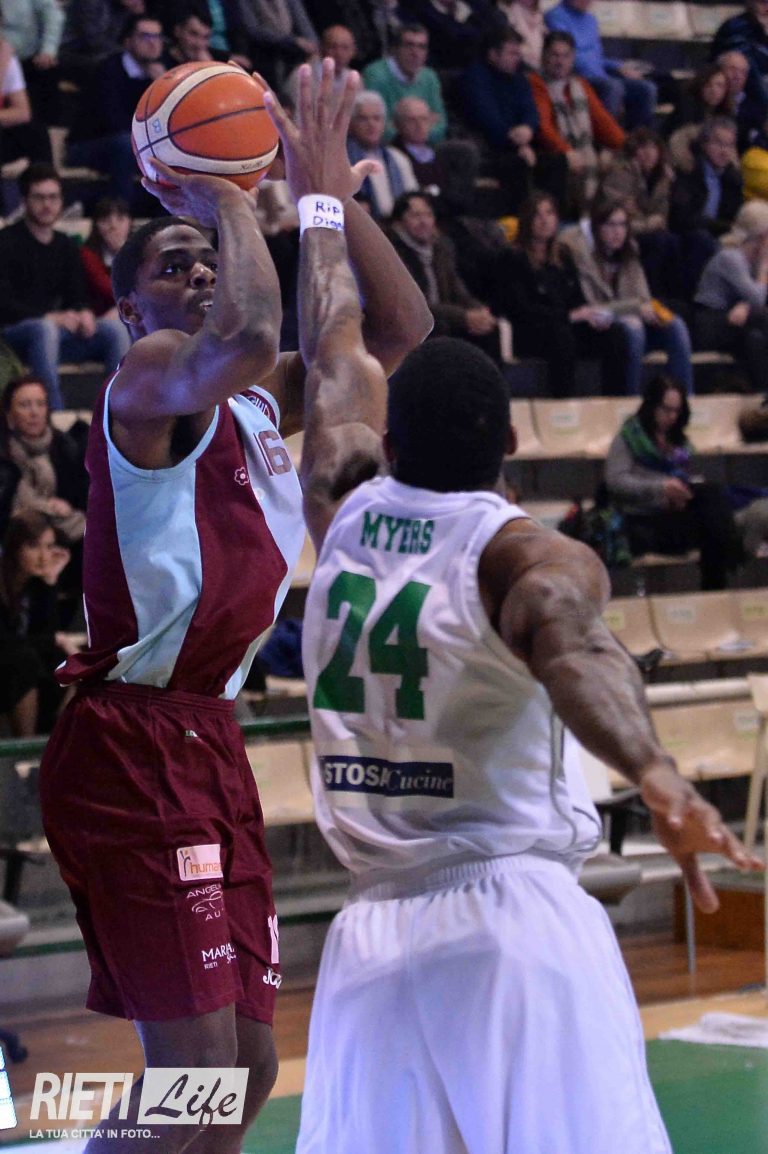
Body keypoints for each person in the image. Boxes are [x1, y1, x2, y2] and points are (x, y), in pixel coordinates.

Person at [265, 91, 759, 1143]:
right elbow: (582, 654)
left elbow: (335, 344)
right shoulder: (523, 553)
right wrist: (660, 775)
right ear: (511, 448)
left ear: (390, 443)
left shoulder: (339, 507)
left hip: (372, 943)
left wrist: (321, 208)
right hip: (512, 925)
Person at [37, 58, 431, 1153]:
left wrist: (331, 199)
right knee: (197, 1076)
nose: (202, 272)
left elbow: (396, 335)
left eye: (209, 262)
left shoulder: (257, 397)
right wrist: (225, 189)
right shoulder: (146, 377)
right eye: (173, 266)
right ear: (128, 307)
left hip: (207, 736)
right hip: (128, 739)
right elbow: (250, 334)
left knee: (247, 1071)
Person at [0, 163, 131, 411]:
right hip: (15, 335)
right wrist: (49, 317)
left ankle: (114, 413)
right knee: (44, 329)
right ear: (25, 201)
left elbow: (77, 295)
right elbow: (4, 303)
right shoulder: (6, 242)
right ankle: (54, 415)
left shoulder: (66, 245)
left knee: (114, 329)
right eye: (39, 197)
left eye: (53, 197)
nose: (47, 204)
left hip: (55, 335)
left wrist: (83, 312)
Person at [605, 375, 746, 589]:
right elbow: (616, 482)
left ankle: (715, 587)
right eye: (666, 409)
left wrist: (683, 493)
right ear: (652, 406)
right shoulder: (628, 437)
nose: (672, 416)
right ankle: (722, 575)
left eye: (676, 411)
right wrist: (661, 488)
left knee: (711, 503)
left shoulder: (679, 441)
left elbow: (691, 475)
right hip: (641, 520)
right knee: (714, 521)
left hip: (674, 515)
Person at [495, 190, 628, 396]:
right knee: (562, 336)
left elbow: (576, 299)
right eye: (537, 214)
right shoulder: (513, 258)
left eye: (549, 213)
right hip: (532, 331)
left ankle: (614, 400)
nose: (544, 220)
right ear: (527, 220)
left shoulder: (563, 256)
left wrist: (592, 316)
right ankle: (563, 402)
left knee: (614, 334)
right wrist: (568, 316)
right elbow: (521, 309)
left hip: (565, 326)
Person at [560, 197, 694, 395]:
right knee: (633, 328)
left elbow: (643, 299)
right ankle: (630, 398)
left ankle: (685, 397)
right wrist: (635, 308)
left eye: (622, 225)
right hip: (600, 330)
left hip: (630, 320)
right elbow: (592, 308)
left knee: (675, 324)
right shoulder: (582, 257)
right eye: (611, 225)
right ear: (597, 228)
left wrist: (646, 310)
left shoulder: (630, 252)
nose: (617, 232)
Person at [460, 24, 568, 215]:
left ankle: (554, 218)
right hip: (492, 148)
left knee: (557, 161)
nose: (517, 59)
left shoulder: (519, 78)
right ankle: (522, 221)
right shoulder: (475, 78)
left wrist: (528, 128)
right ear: (493, 54)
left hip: (522, 144)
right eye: (511, 53)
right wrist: (517, 143)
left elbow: (531, 111)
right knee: (518, 165)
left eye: (518, 53)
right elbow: (487, 119)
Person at [64, 13, 165, 209]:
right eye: (145, 36)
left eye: (157, 37)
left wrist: (162, 87)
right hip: (88, 145)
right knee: (126, 145)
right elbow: (113, 122)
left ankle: (170, 217)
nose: (153, 43)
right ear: (127, 41)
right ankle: (119, 213)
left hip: (133, 147)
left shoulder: (163, 73)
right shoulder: (108, 70)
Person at [388, 189, 500, 358]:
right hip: (414, 324)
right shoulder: (393, 252)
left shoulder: (441, 247)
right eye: (415, 216)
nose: (424, 221)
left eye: (428, 215)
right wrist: (464, 316)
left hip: (445, 318)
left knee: (489, 328)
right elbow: (416, 304)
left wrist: (480, 311)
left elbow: (458, 291)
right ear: (399, 223)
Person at [528, 30, 624, 217]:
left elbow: (603, 123)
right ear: (543, 56)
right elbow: (543, 128)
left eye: (565, 56)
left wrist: (630, 149)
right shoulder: (536, 83)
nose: (560, 62)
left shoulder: (580, 84)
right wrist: (566, 151)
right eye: (554, 55)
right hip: (551, 155)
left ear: (572, 59)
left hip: (583, 154)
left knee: (621, 162)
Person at [0, 509, 76, 735]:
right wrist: (56, 640)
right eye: (33, 546)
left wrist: (51, 580)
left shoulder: (36, 584)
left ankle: (55, 740)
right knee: (24, 661)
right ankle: (27, 744)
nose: (44, 557)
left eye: (49, 546)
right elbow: (6, 642)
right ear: (15, 547)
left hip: (17, 660)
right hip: (9, 662)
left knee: (68, 664)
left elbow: (45, 634)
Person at [0, 374, 88, 542]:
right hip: (13, 539)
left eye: (40, 404)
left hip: (68, 534)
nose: (34, 412)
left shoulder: (65, 447)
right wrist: (47, 507)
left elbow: (83, 501)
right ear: (9, 415)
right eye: (24, 405)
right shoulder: (4, 456)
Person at [544, 0, 657, 129]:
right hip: (575, 77)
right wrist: (604, 73)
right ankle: (606, 137)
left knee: (646, 88)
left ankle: (637, 138)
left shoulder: (591, 20)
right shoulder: (555, 16)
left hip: (600, 77)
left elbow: (596, 58)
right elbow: (565, 56)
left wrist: (619, 66)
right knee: (614, 87)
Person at [694, 199, 768, 392]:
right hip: (711, 322)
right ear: (761, 236)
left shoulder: (753, 261)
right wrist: (763, 269)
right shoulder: (731, 257)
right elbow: (758, 299)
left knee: (755, 338)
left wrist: (746, 306)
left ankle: (762, 393)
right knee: (763, 318)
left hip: (737, 323)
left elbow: (753, 300)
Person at [362, 23, 447, 144]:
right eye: (409, 45)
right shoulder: (376, 76)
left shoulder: (430, 77)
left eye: (422, 47)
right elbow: (376, 129)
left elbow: (441, 126)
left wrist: (401, 126)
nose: (415, 53)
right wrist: (423, 126)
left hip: (424, 148)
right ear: (394, 49)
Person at [347, 89, 418, 220]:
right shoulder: (342, 159)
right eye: (363, 119)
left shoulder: (398, 158)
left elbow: (413, 200)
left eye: (377, 118)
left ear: (384, 123)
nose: (371, 124)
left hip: (397, 226)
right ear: (351, 124)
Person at [80, 196, 133, 319]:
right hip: (98, 318)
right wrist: (121, 254)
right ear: (96, 225)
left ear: (130, 222)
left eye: (120, 219)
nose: (113, 226)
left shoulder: (141, 251)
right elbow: (110, 290)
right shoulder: (87, 254)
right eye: (106, 220)